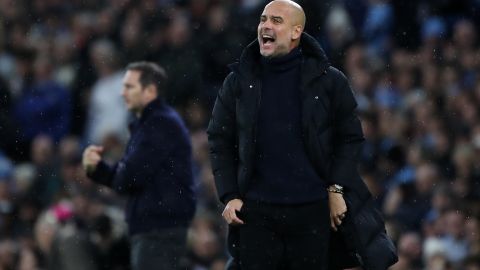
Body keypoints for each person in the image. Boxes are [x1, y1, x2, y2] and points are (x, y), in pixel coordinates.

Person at [207, 1, 397, 269]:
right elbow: (219, 139)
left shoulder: (330, 81)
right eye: (263, 19)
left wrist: (336, 188)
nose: (265, 26)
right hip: (256, 211)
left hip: (312, 210)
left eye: (276, 20)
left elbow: (350, 138)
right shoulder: (238, 81)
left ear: (296, 31)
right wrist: (229, 195)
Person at [82, 61, 196, 270]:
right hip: (158, 227)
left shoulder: (158, 123)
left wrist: (101, 170)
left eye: (129, 87)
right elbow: (129, 175)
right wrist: (98, 169)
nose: (122, 93)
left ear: (150, 90)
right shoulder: (153, 123)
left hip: (158, 229)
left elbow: (129, 178)